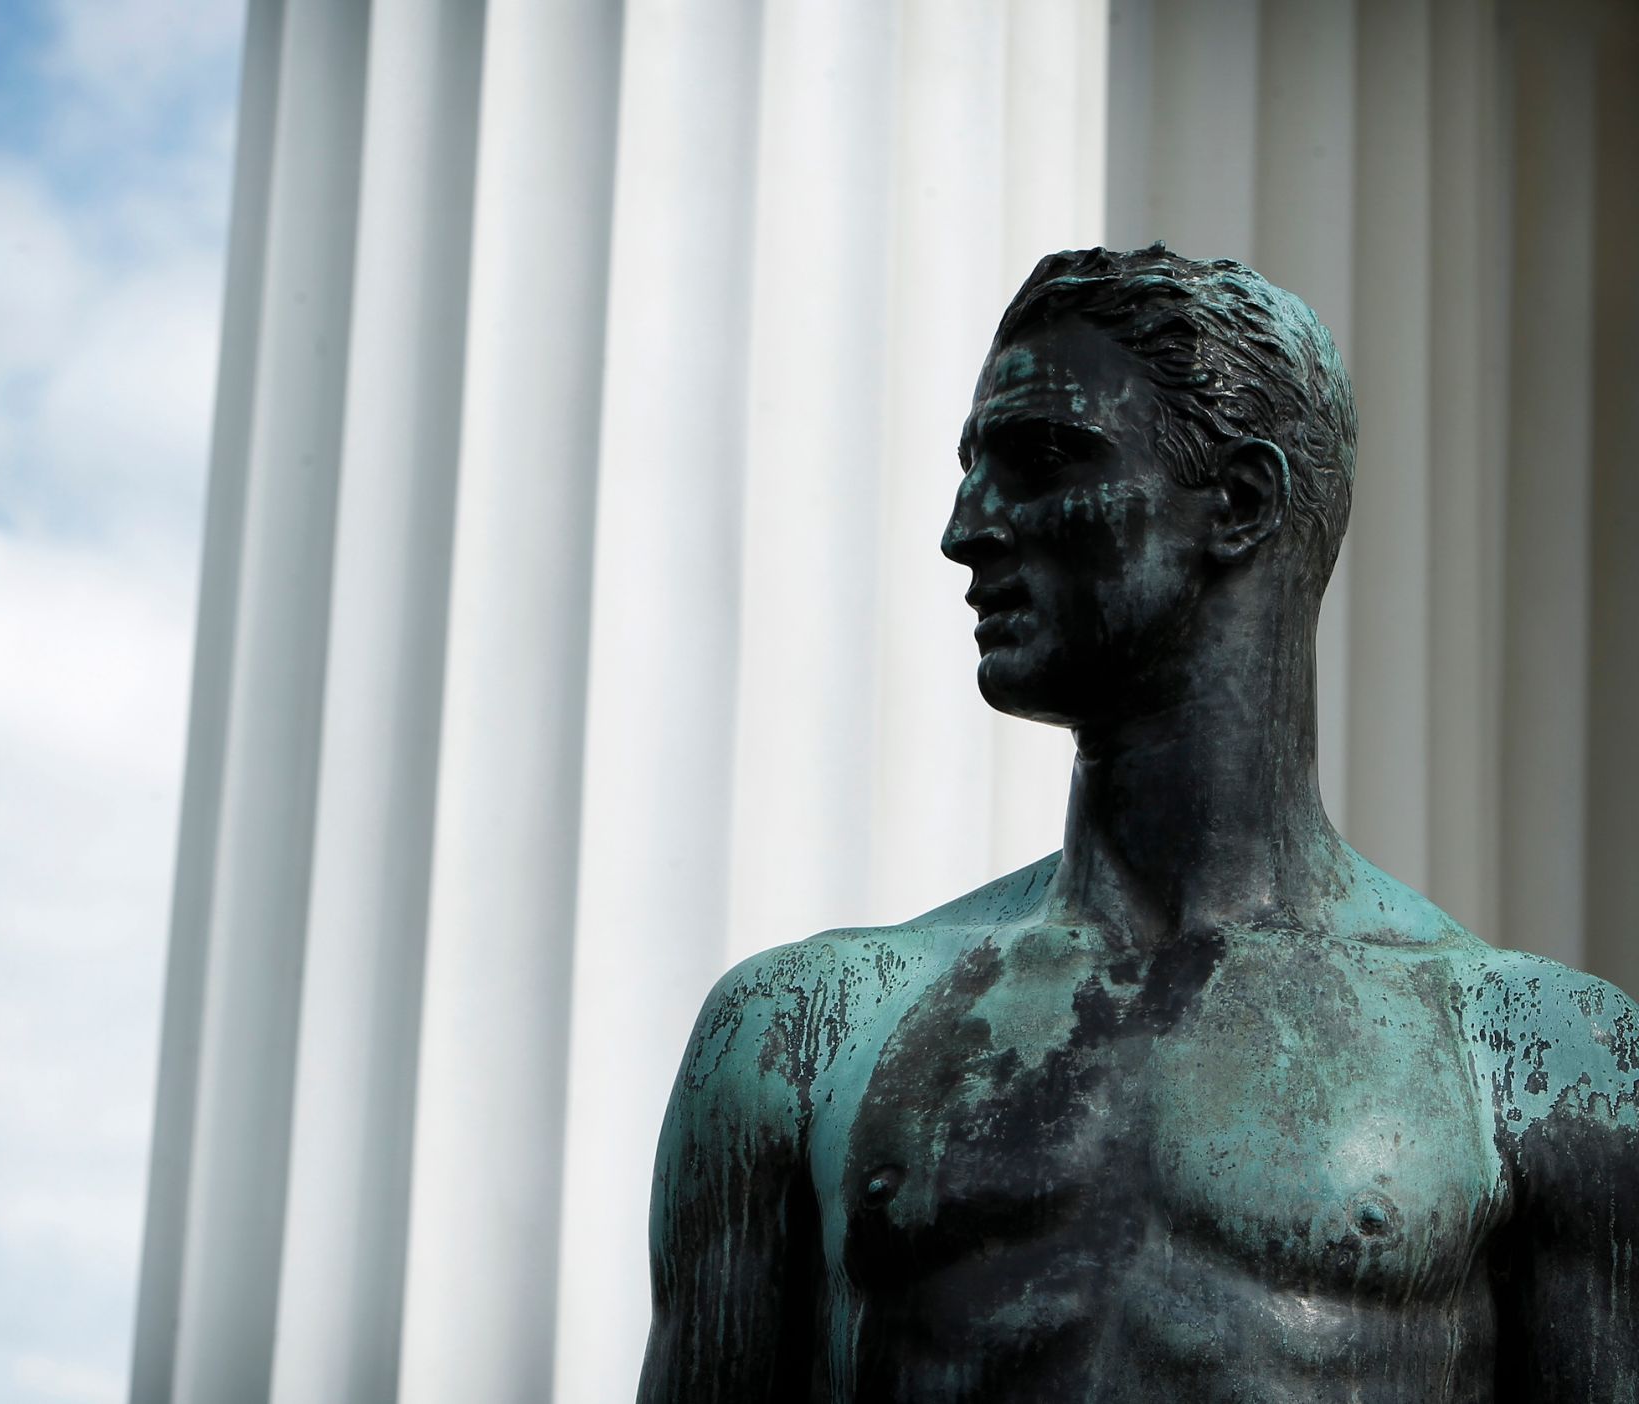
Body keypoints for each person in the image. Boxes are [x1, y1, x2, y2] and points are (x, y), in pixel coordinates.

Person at [636, 245, 1639, 1402]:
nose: (965, 531)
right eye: (970, 470)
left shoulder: (1536, 1059)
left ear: (1241, 504)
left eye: (1044, 460)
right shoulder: (800, 1035)